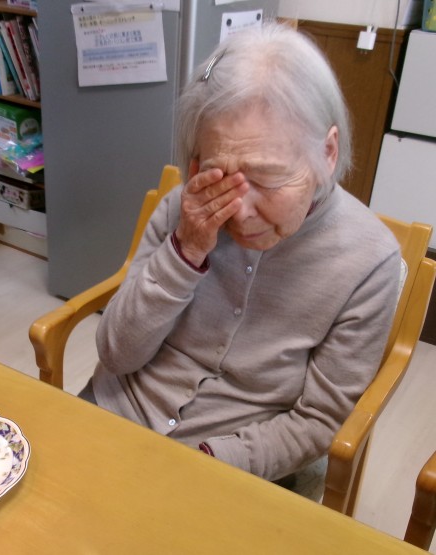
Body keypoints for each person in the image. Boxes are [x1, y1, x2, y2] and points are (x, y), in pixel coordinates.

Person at [80, 23, 402, 484]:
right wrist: (185, 250)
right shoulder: (184, 207)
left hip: (236, 462)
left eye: (267, 179)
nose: (241, 211)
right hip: (117, 410)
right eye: (219, 176)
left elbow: (320, 419)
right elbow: (116, 353)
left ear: (328, 152)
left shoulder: (369, 261)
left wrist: (215, 460)